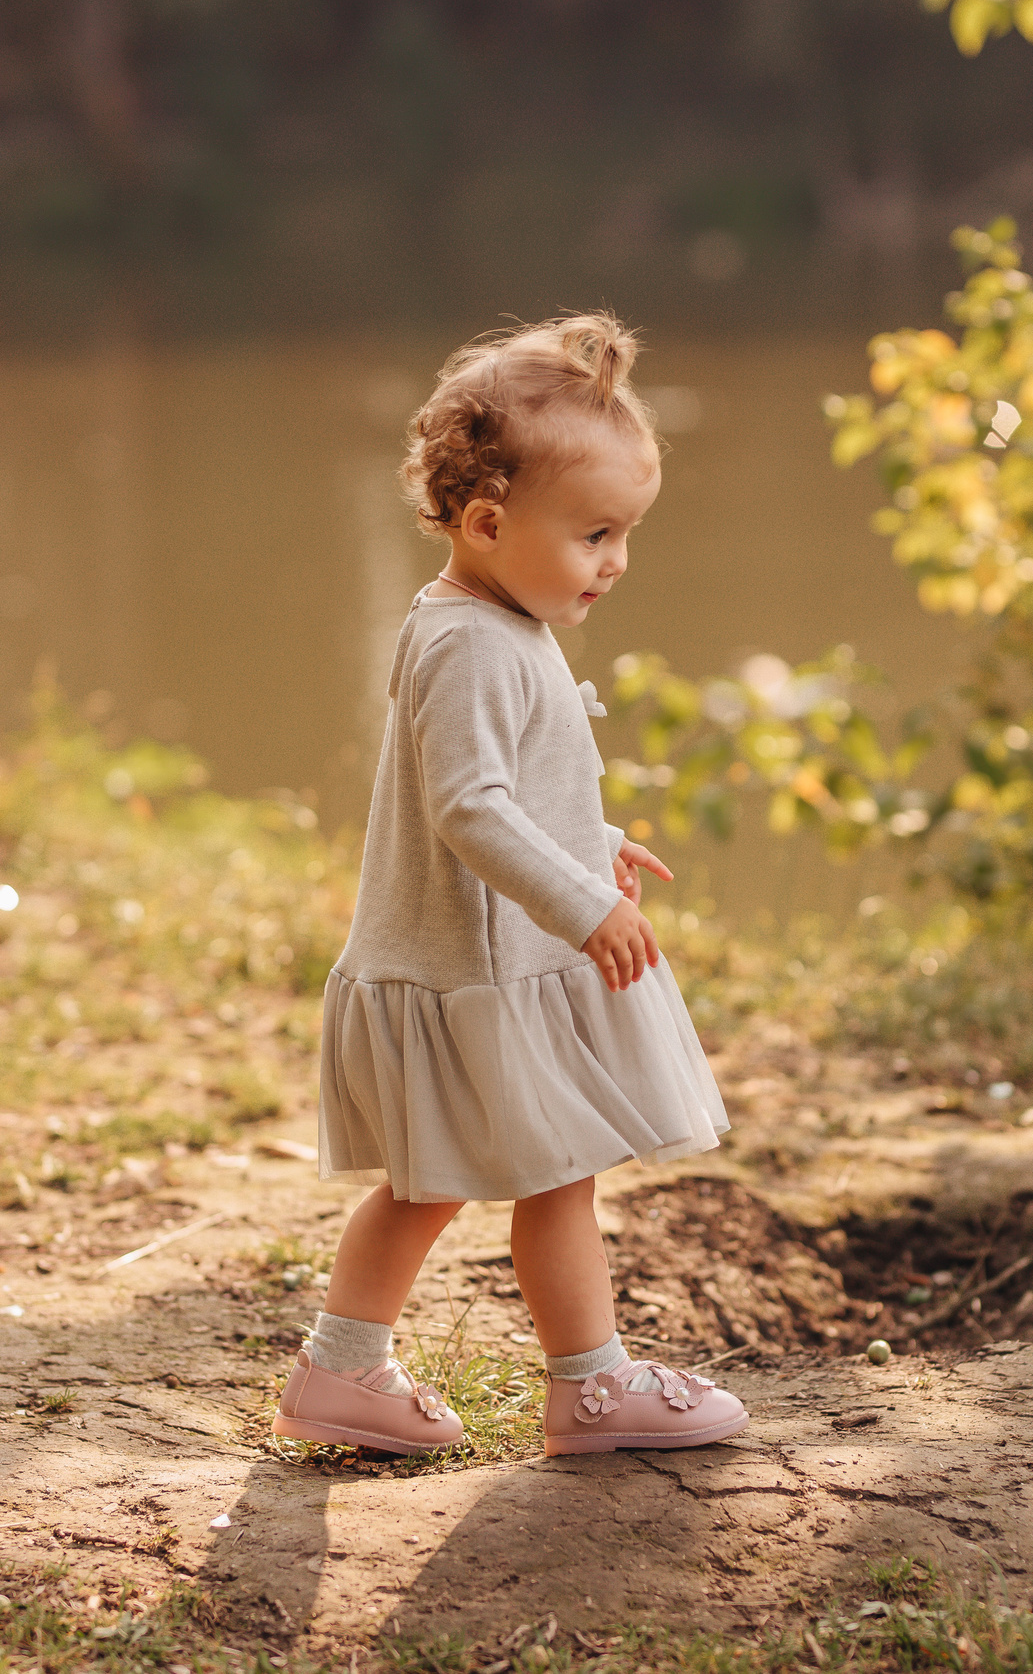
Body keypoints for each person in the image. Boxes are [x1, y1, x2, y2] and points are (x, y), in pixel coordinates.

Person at [272, 313, 745, 1459]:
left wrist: (594, 843)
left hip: (479, 970)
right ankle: (585, 1389)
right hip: (475, 977)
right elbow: (471, 809)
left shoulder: (493, 619)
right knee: (533, 1181)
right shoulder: (474, 645)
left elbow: (517, 789)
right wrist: (582, 905)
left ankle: (346, 1372)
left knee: (448, 1187)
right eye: (594, 533)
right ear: (487, 523)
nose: (616, 560)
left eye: (623, 532)